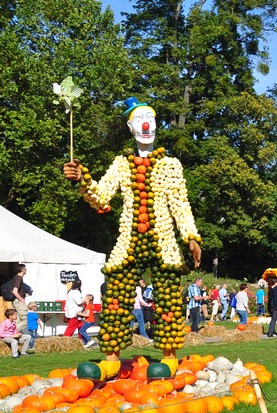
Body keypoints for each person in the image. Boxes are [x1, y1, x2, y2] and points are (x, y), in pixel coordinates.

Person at [62, 97, 202, 374]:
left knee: (169, 297)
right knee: (115, 294)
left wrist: (191, 237)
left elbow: (180, 204)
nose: (146, 124)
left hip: (164, 243)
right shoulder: (120, 164)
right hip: (128, 242)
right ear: (130, 127)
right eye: (139, 120)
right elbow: (101, 198)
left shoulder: (171, 165)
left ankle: (169, 355)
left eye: (150, 118)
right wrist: (81, 179)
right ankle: (111, 359)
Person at [6, 264, 29, 329]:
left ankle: (14, 334)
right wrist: (21, 299)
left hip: (15, 301)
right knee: (26, 320)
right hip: (18, 301)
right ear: (23, 270)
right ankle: (11, 332)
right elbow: (15, 291)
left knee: (17, 320)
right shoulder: (19, 278)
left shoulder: (15, 278)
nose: (26, 270)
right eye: (25, 269)